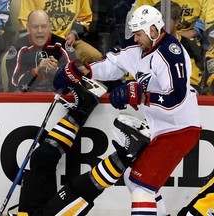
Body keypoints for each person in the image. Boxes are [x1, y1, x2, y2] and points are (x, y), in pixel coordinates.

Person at [52, 5, 201, 215]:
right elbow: (115, 64)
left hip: (180, 129)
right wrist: (86, 70)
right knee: (134, 179)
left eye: (139, 33)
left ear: (153, 30)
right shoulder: (138, 46)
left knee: (141, 188)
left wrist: (143, 96)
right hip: (160, 128)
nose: (135, 38)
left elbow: (176, 96)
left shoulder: (171, 52)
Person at [5, 9, 75, 92]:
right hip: (27, 101)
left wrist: (57, 71)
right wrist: (37, 71)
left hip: (57, 100)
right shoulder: (18, 48)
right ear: (28, 28)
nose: (40, 31)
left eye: (44, 26)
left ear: (50, 27)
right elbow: (14, 86)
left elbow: (74, 83)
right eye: (35, 27)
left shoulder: (62, 46)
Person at [18, 0, 103, 63]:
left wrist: (73, 33)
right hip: (42, 44)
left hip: (69, 42)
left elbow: (84, 18)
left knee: (96, 58)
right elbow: (26, 24)